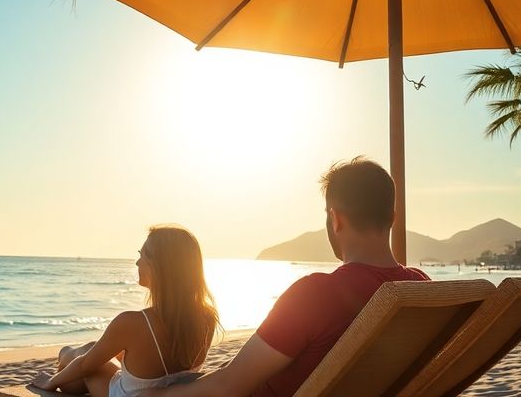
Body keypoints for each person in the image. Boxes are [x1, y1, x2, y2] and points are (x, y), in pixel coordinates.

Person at [145, 156, 430, 397]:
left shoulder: (317, 295)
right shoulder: (421, 288)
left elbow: (228, 385)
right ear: (392, 218)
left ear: (335, 219)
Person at [32, 225, 220, 397]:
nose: (137, 263)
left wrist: (50, 382)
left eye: (143, 255)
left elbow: (85, 365)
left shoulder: (132, 322)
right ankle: (65, 358)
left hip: (129, 395)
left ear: (160, 266)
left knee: (75, 356)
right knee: (91, 349)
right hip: (170, 392)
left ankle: (63, 358)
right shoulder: (207, 317)